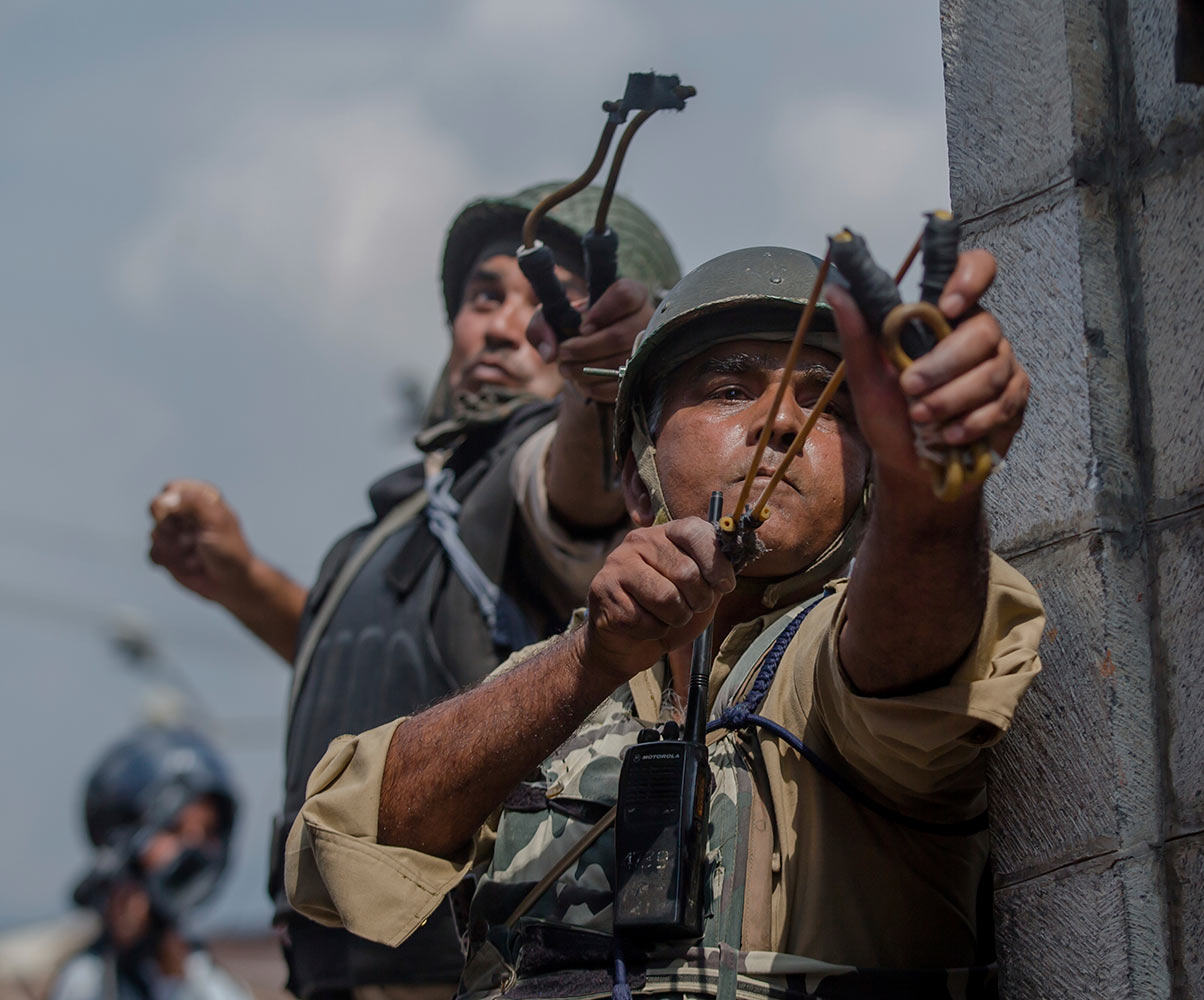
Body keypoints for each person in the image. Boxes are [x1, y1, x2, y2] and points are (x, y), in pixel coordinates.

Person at [282, 244, 1044, 999]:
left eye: (828, 404)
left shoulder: (844, 650)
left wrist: (930, 484)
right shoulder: (558, 679)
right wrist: (589, 660)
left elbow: (907, 645)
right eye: (728, 388)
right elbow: (338, 851)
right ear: (636, 480)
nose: (781, 420)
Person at [145, 184, 681, 1000]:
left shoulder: (534, 469)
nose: (504, 324)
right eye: (484, 295)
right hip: (328, 971)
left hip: (468, 971)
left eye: (548, 307)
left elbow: (573, 496)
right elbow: (397, 664)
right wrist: (243, 582)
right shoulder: (404, 514)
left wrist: (600, 382)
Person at [50, 726, 250, 1000]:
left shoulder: (207, 981)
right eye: (175, 829)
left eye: (207, 832)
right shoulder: (88, 981)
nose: (193, 849)